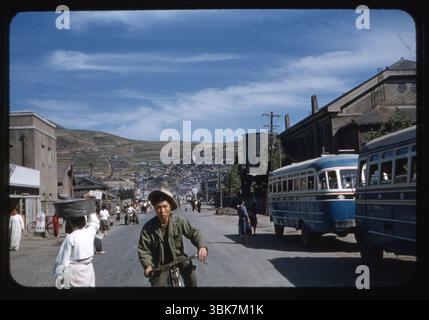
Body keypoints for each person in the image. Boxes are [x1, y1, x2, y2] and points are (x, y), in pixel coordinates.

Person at [138, 189, 208, 287]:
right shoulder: (148, 228)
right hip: (160, 264)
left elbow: (194, 233)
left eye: (165, 206)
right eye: (159, 207)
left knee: (191, 274)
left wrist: (202, 247)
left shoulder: (179, 221)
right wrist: (148, 266)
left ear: (170, 207)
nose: (162, 211)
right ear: (154, 209)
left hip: (179, 258)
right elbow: (143, 250)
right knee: (157, 285)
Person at [53, 212, 100, 287]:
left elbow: (63, 261)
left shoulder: (70, 237)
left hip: (74, 273)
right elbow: (95, 222)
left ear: (71, 223)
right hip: (88, 271)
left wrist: (60, 278)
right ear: (84, 221)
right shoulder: (90, 232)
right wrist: (90, 209)